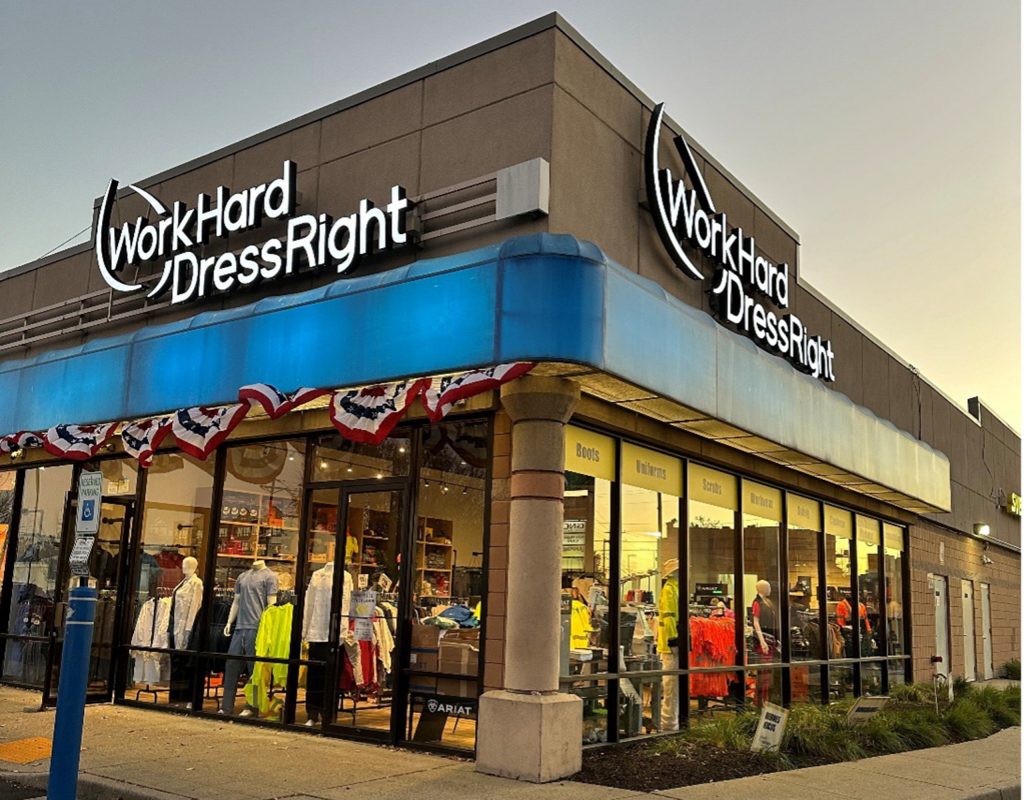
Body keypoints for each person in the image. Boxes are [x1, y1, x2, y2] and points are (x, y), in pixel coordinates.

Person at [658, 559, 680, 732]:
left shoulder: (675, 588)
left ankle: (672, 722)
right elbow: (669, 617)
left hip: (671, 643)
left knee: (674, 685)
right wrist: (673, 640)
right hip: (670, 646)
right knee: (671, 685)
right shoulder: (670, 590)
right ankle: (669, 724)